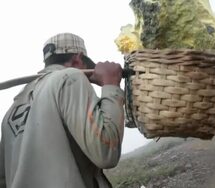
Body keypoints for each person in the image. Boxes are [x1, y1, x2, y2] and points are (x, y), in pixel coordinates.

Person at [0, 33, 125, 188]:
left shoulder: (12, 110)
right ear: (78, 59)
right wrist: (111, 85)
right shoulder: (70, 77)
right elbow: (106, 153)